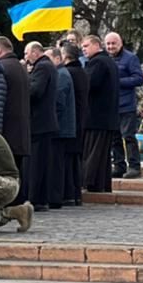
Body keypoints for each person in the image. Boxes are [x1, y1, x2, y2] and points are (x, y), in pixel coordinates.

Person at [0, 36, 31, 197]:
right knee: (18, 169)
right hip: (22, 126)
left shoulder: (2, 67)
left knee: (8, 169)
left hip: (8, 126)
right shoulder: (20, 67)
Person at [81, 35, 120, 192]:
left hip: (96, 116)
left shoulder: (97, 62)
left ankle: (89, 182)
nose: (83, 49)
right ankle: (100, 184)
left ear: (97, 45)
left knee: (93, 153)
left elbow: (89, 84)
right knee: (102, 155)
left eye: (86, 46)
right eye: (82, 46)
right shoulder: (109, 61)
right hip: (107, 116)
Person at [24, 42, 60, 209]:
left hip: (40, 122)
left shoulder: (42, 67)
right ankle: (41, 198)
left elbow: (35, 91)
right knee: (42, 162)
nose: (25, 57)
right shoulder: (48, 66)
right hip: (46, 122)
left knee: (37, 163)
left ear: (36, 52)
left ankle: (37, 198)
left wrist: (25, 84)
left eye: (27, 53)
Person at [106, 32, 143, 179]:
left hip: (126, 105)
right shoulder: (106, 59)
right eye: (108, 44)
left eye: (113, 43)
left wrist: (118, 82)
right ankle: (119, 165)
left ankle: (134, 166)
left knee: (128, 136)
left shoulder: (130, 58)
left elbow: (139, 78)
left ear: (120, 43)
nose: (110, 47)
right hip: (111, 105)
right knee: (115, 138)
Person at [46, 46, 78, 206]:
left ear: (58, 58)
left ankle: (56, 197)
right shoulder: (60, 74)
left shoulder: (60, 75)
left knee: (57, 164)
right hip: (62, 127)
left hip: (60, 128)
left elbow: (58, 102)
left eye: (48, 58)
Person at [58, 43, 90, 206]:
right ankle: (75, 194)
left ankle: (68, 194)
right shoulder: (82, 72)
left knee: (67, 160)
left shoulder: (68, 73)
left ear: (65, 56)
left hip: (70, 122)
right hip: (80, 119)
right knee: (75, 160)